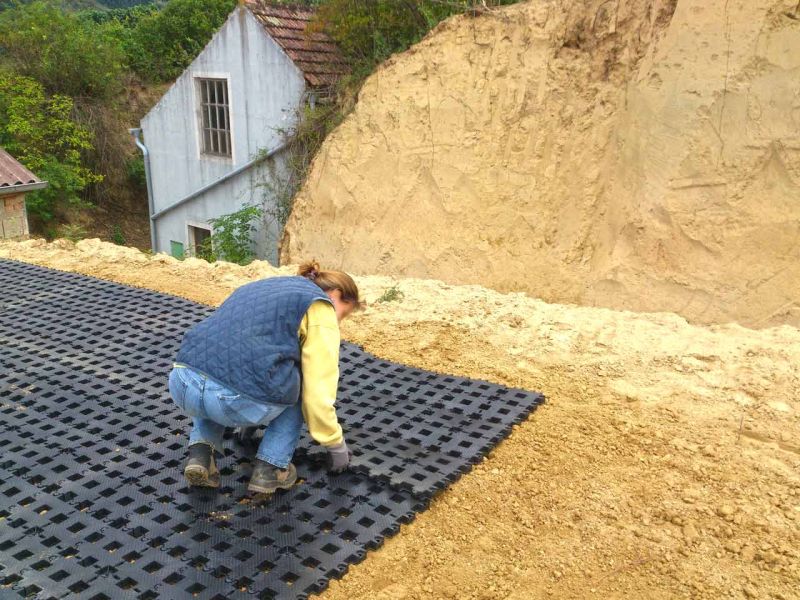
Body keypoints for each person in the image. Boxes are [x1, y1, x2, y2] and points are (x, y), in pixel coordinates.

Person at [167, 261, 361, 494]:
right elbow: (318, 393)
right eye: (344, 314)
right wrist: (335, 444)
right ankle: (271, 468)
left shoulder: (265, 286)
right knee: (302, 385)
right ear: (337, 295)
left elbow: (231, 350)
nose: (338, 322)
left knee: (213, 369)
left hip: (182, 382)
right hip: (237, 401)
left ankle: (200, 455)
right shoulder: (320, 307)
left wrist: (250, 422)